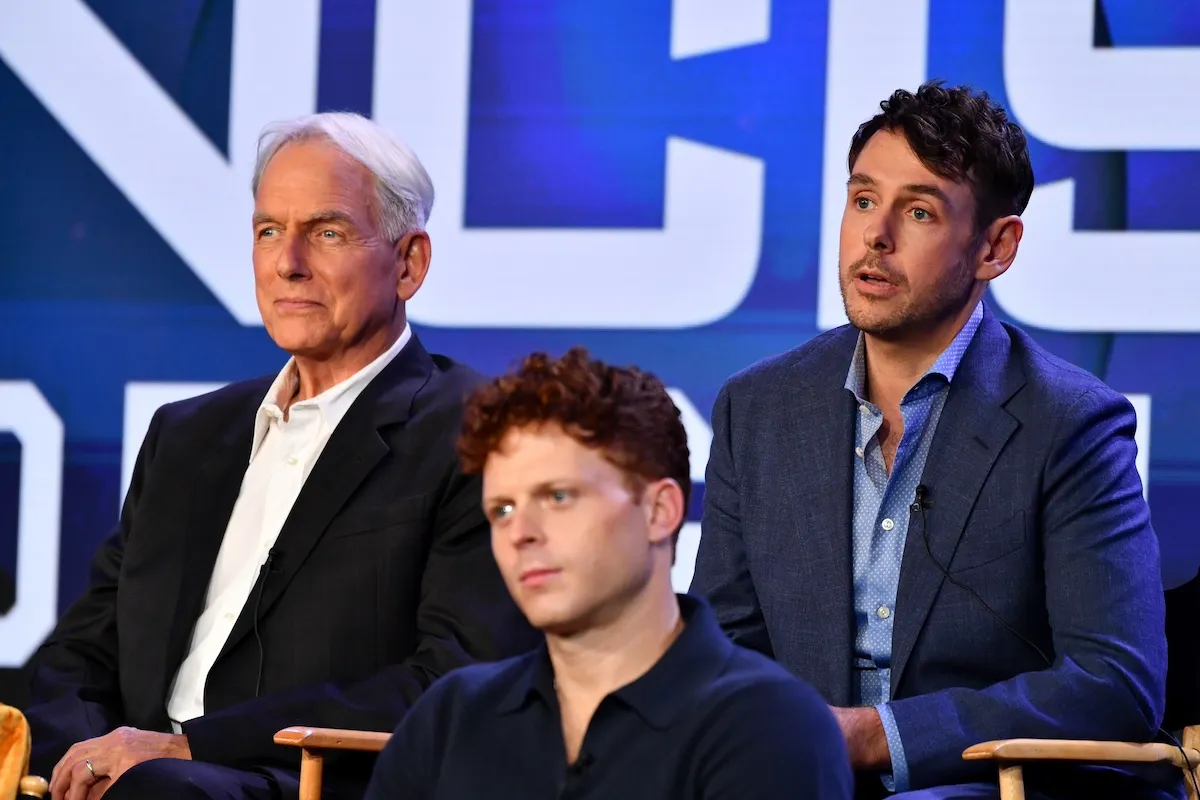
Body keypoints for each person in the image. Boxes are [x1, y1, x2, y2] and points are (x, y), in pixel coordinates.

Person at [27, 111, 538, 800]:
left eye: (326, 232)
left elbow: (451, 676)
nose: (287, 262)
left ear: (409, 262)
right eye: (269, 230)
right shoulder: (187, 436)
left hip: (301, 781)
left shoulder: (477, 431)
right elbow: (81, 652)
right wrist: (81, 760)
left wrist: (187, 749)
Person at [691, 82, 1175, 800]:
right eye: (862, 200)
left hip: (989, 784)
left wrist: (877, 736)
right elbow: (722, 655)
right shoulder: (757, 408)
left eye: (917, 211)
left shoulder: (1071, 423)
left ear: (995, 247)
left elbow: (1115, 683)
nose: (874, 236)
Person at [364, 348, 854, 799]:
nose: (520, 533)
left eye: (558, 497)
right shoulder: (449, 719)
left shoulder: (770, 726)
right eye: (503, 509)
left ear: (659, 511)